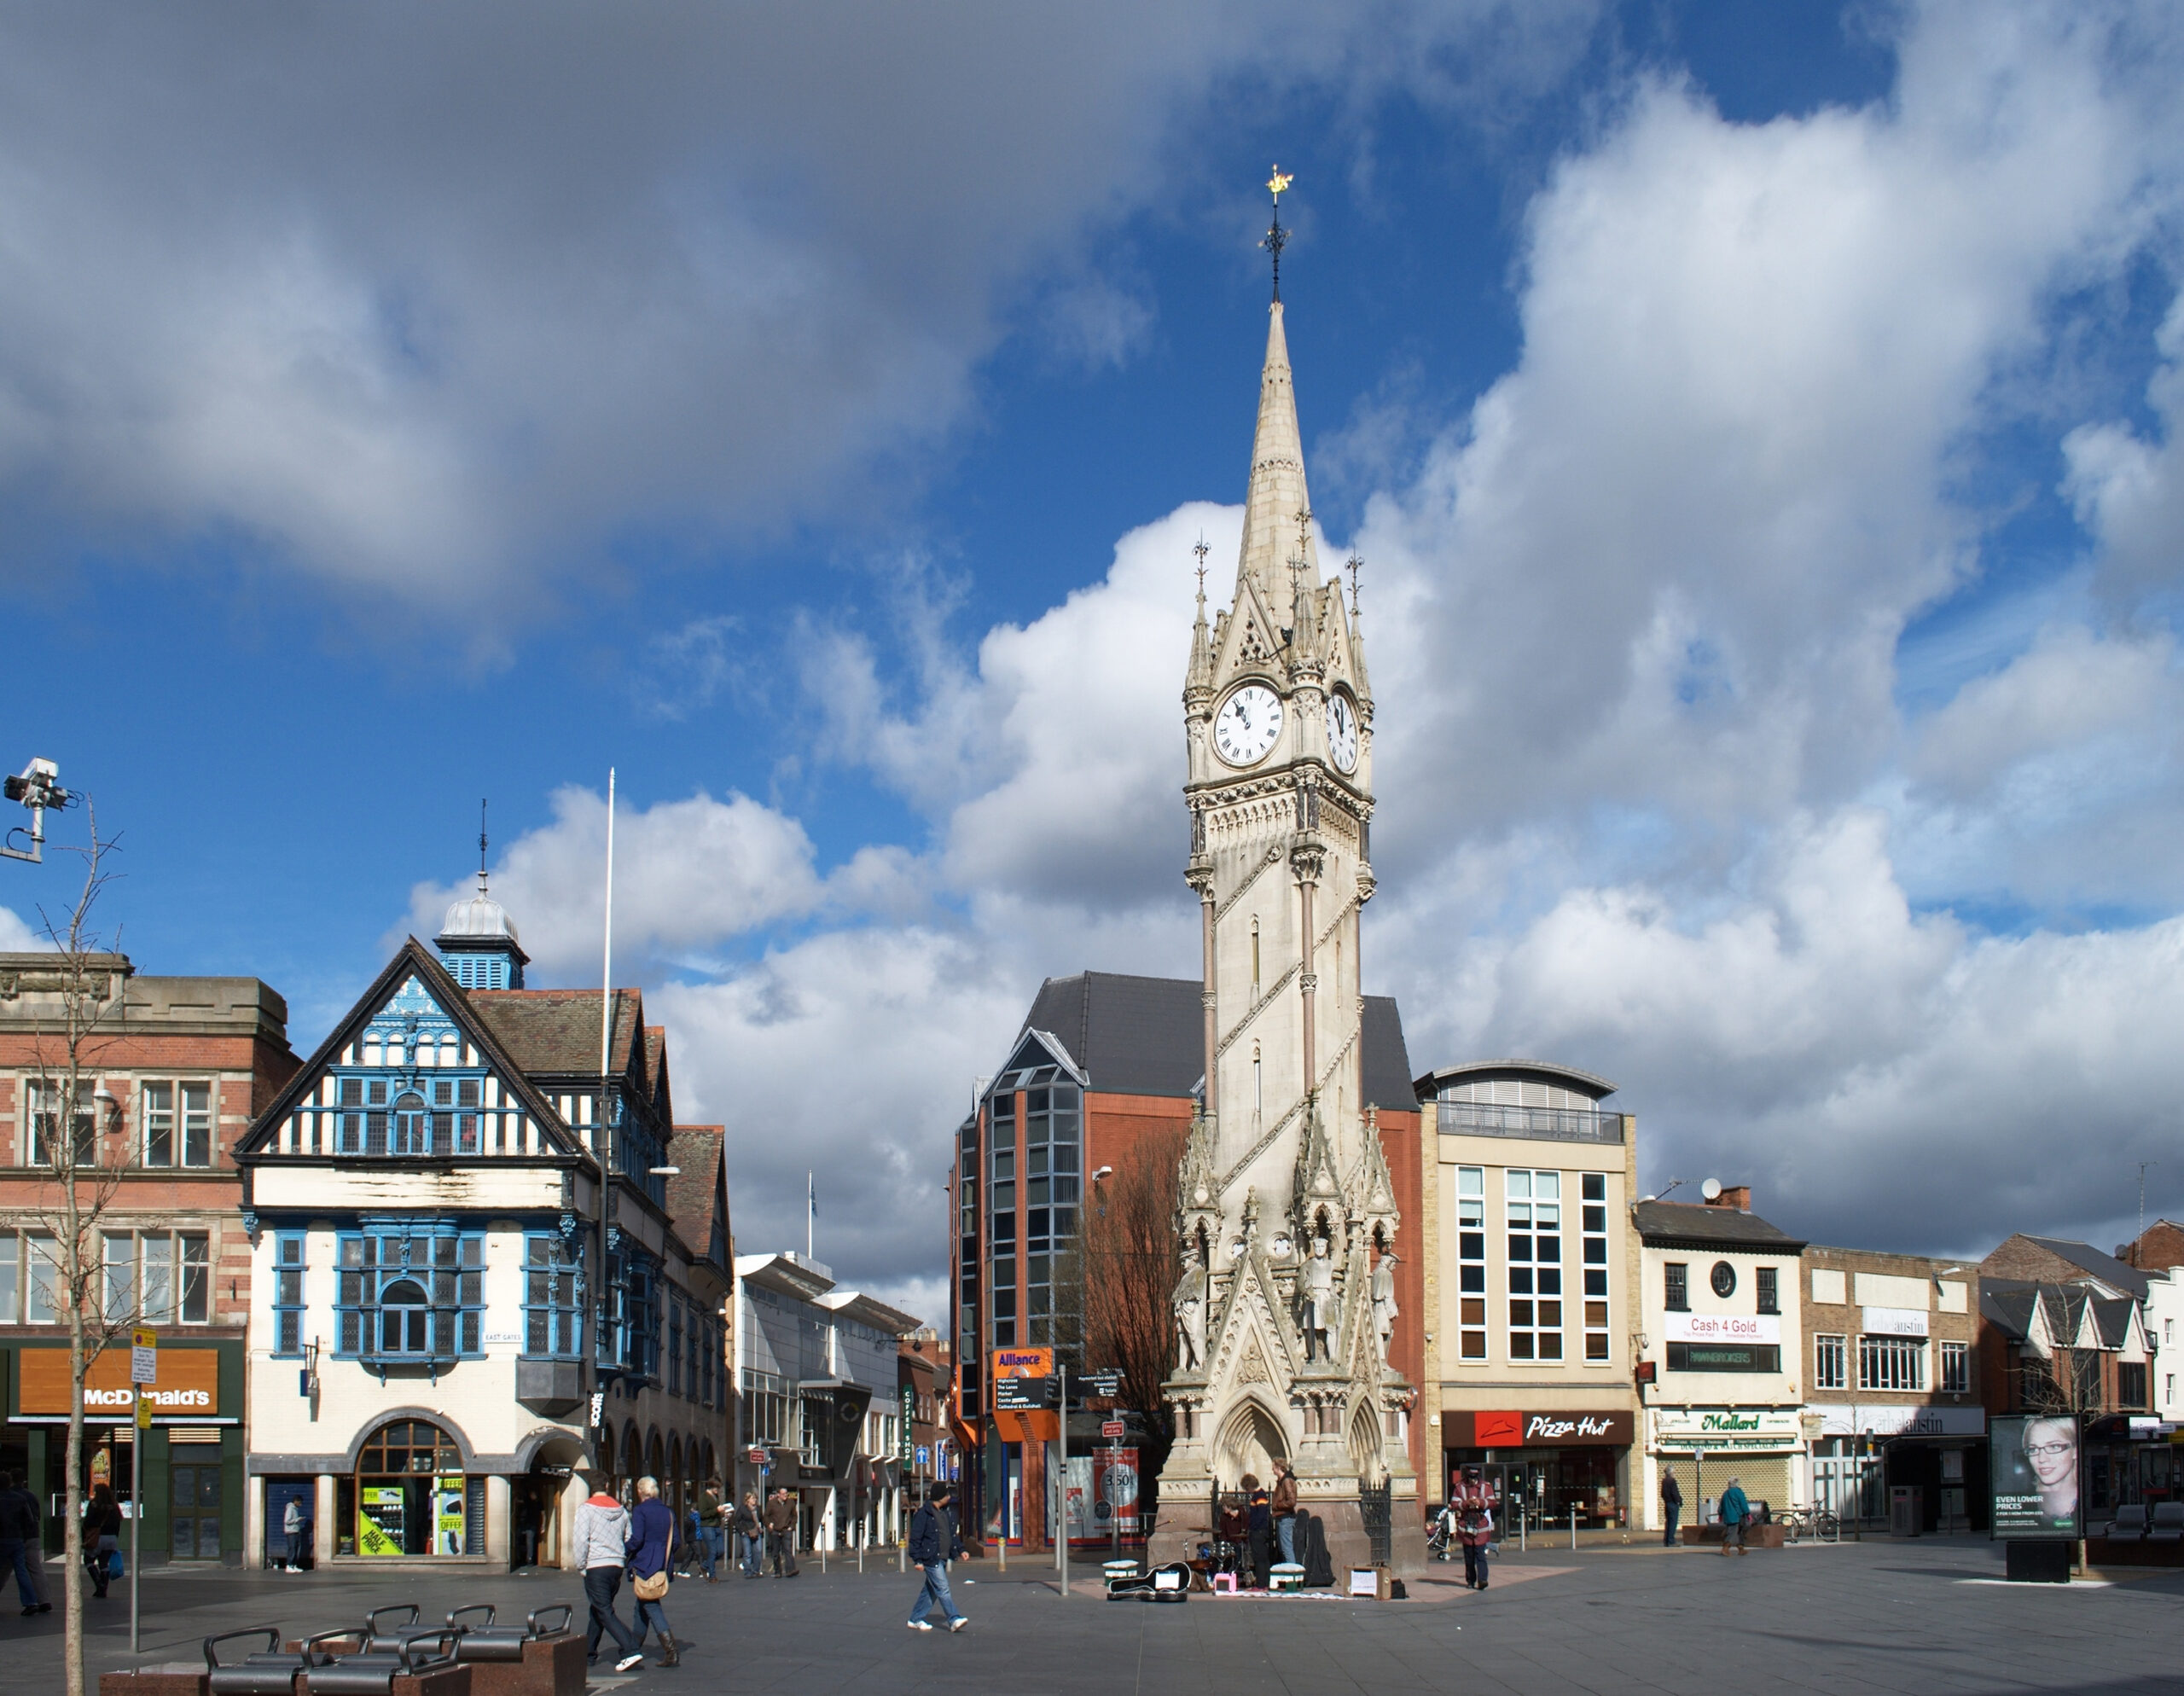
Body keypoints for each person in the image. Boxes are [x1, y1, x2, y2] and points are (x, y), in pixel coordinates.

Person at [572, 1479, 645, 1674]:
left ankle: (630, 1648)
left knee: (604, 1610)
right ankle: (589, 1653)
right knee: (598, 1609)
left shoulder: (585, 1510)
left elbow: (580, 1540)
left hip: (596, 1565)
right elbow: (629, 1537)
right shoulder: (620, 1510)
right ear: (606, 1486)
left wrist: (581, 1565)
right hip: (616, 1566)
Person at [625, 1476, 678, 1668]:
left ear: (641, 1492)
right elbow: (677, 1542)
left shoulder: (640, 1511)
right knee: (642, 1605)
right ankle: (633, 1646)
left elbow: (637, 1539)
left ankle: (671, 1650)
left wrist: (624, 1549)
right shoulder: (668, 1512)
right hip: (661, 1565)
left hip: (645, 1564)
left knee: (651, 1605)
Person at [904, 1484, 967, 1632]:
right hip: (931, 1558)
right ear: (940, 1497)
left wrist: (961, 1549)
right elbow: (915, 1539)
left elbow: (952, 1534)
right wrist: (917, 1560)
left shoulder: (946, 1512)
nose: (949, 1498)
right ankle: (953, 1619)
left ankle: (915, 1618)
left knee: (931, 1590)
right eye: (947, 1495)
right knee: (943, 1588)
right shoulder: (924, 1514)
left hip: (943, 1557)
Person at [0, 1474, 49, 1616]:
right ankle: (31, 1601)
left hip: (2, 1538)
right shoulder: (21, 1499)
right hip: (17, 1539)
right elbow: (31, 1519)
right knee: (22, 1570)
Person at [2023, 1418, 2079, 1525]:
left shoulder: (2086, 1501)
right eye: (2033, 1449)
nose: (2042, 1459)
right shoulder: (2022, 1501)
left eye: (2054, 1446)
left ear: (2075, 1451)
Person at [1452, 1463, 1496, 1590]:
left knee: (1480, 1554)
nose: (1473, 1480)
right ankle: (1471, 1580)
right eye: (1471, 1477)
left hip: (1480, 1523)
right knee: (1469, 1556)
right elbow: (1454, 1504)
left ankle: (1483, 1580)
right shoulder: (1459, 1487)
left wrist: (1481, 1502)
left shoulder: (1486, 1486)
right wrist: (1466, 1504)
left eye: (1475, 1477)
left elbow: (1492, 1502)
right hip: (1466, 1523)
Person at [82, 1484, 122, 1600]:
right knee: (104, 1563)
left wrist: (85, 1536)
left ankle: (100, 1585)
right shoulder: (114, 1506)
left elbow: (88, 1522)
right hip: (111, 1538)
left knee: (88, 1561)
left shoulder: (94, 1505)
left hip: (97, 1537)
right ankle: (103, 1589)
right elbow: (118, 1523)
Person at [1242, 1473, 1273, 1590]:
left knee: (1259, 1558)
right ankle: (1265, 1583)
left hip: (1258, 1531)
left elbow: (1260, 1514)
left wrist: (1253, 1527)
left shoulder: (1259, 1495)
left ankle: (1261, 1584)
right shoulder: (1259, 1495)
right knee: (1263, 1558)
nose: (1246, 1491)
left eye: (1246, 1488)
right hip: (1260, 1530)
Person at [694, 1477, 726, 1582]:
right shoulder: (704, 1497)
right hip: (707, 1526)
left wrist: (723, 1514)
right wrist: (716, 1510)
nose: (718, 1490)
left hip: (716, 1526)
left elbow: (716, 1513)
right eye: (716, 1487)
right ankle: (712, 1576)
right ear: (711, 1486)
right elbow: (702, 1514)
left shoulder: (715, 1497)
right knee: (712, 1551)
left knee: (720, 1551)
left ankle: (704, 1565)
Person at [764, 1486, 800, 1577]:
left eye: (786, 1494)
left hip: (786, 1529)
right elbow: (766, 1516)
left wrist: (791, 1527)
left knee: (788, 1550)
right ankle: (777, 1571)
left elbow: (794, 1516)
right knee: (775, 1552)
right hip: (775, 1530)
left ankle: (790, 1570)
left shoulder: (790, 1503)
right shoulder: (771, 1503)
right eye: (783, 1494)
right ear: (778, 1495)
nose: (786, 1495)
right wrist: (769, 1525)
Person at [1271, 1460, 1299, 1567]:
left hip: (1286, 1517)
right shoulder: (1282, 1481)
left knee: (1287, 1548)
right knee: (1284, 1547)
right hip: (1282, 1517)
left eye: (1273, 1467)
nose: (1272, 1470)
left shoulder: (1286, 1480)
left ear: (1279, 1467)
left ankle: (1292, 1574)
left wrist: (1277, 1505)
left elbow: (1291, 1501)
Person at [733, 1490, 764, 1577]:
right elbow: (736, 1520)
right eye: (752, 1498)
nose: (754, 1500)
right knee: (747, 1553)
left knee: (758, 1551)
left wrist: (761, 1528)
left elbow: (762, 1519)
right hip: (746, 1532)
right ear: (747, 1500)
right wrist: (741, 1531)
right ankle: (747, 1572)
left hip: (756, 1532)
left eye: (755, 1498)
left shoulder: (758, 1508)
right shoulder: (743, 1508)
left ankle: (756, 1570)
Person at [1718, 1476, 1750, 1556]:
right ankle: (1725, 1548)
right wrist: (1747, 1512)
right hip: (1737, 1515)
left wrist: (1720, 1514)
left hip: (1728, 1516)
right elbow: (1743, 1503)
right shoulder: (1738, 1492)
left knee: (1738, 1532)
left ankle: (1741, 1548)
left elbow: (1721, 1505)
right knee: (1733, 1532)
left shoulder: (1726, 1493)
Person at [282, 1491, 310, 1571]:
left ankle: (294, 1565)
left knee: (296, 1549)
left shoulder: (295, 1509)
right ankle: (289, 1566)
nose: (301, 1504)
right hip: (291, 1533)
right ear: (296, 1501)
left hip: (296, 1532)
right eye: (300, 1503)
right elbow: (287, 1521)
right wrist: (298, 1519)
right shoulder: (290, 1509)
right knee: (292, 1549)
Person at [1659, 1468, 1683, 1548]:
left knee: (1668, 1523)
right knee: (1673, 1523)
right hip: (1673, 1504)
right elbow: (1674, 1492)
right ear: (1671, 1473)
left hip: (1667, 1503)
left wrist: (1666, 1500)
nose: (1674, 1474)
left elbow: (1662, 1494)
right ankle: (1671, 1541)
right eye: (1674, 1472)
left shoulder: (1664, 1481)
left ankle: (1666, 1541)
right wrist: (1679, 1501)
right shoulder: (1672, 1481)